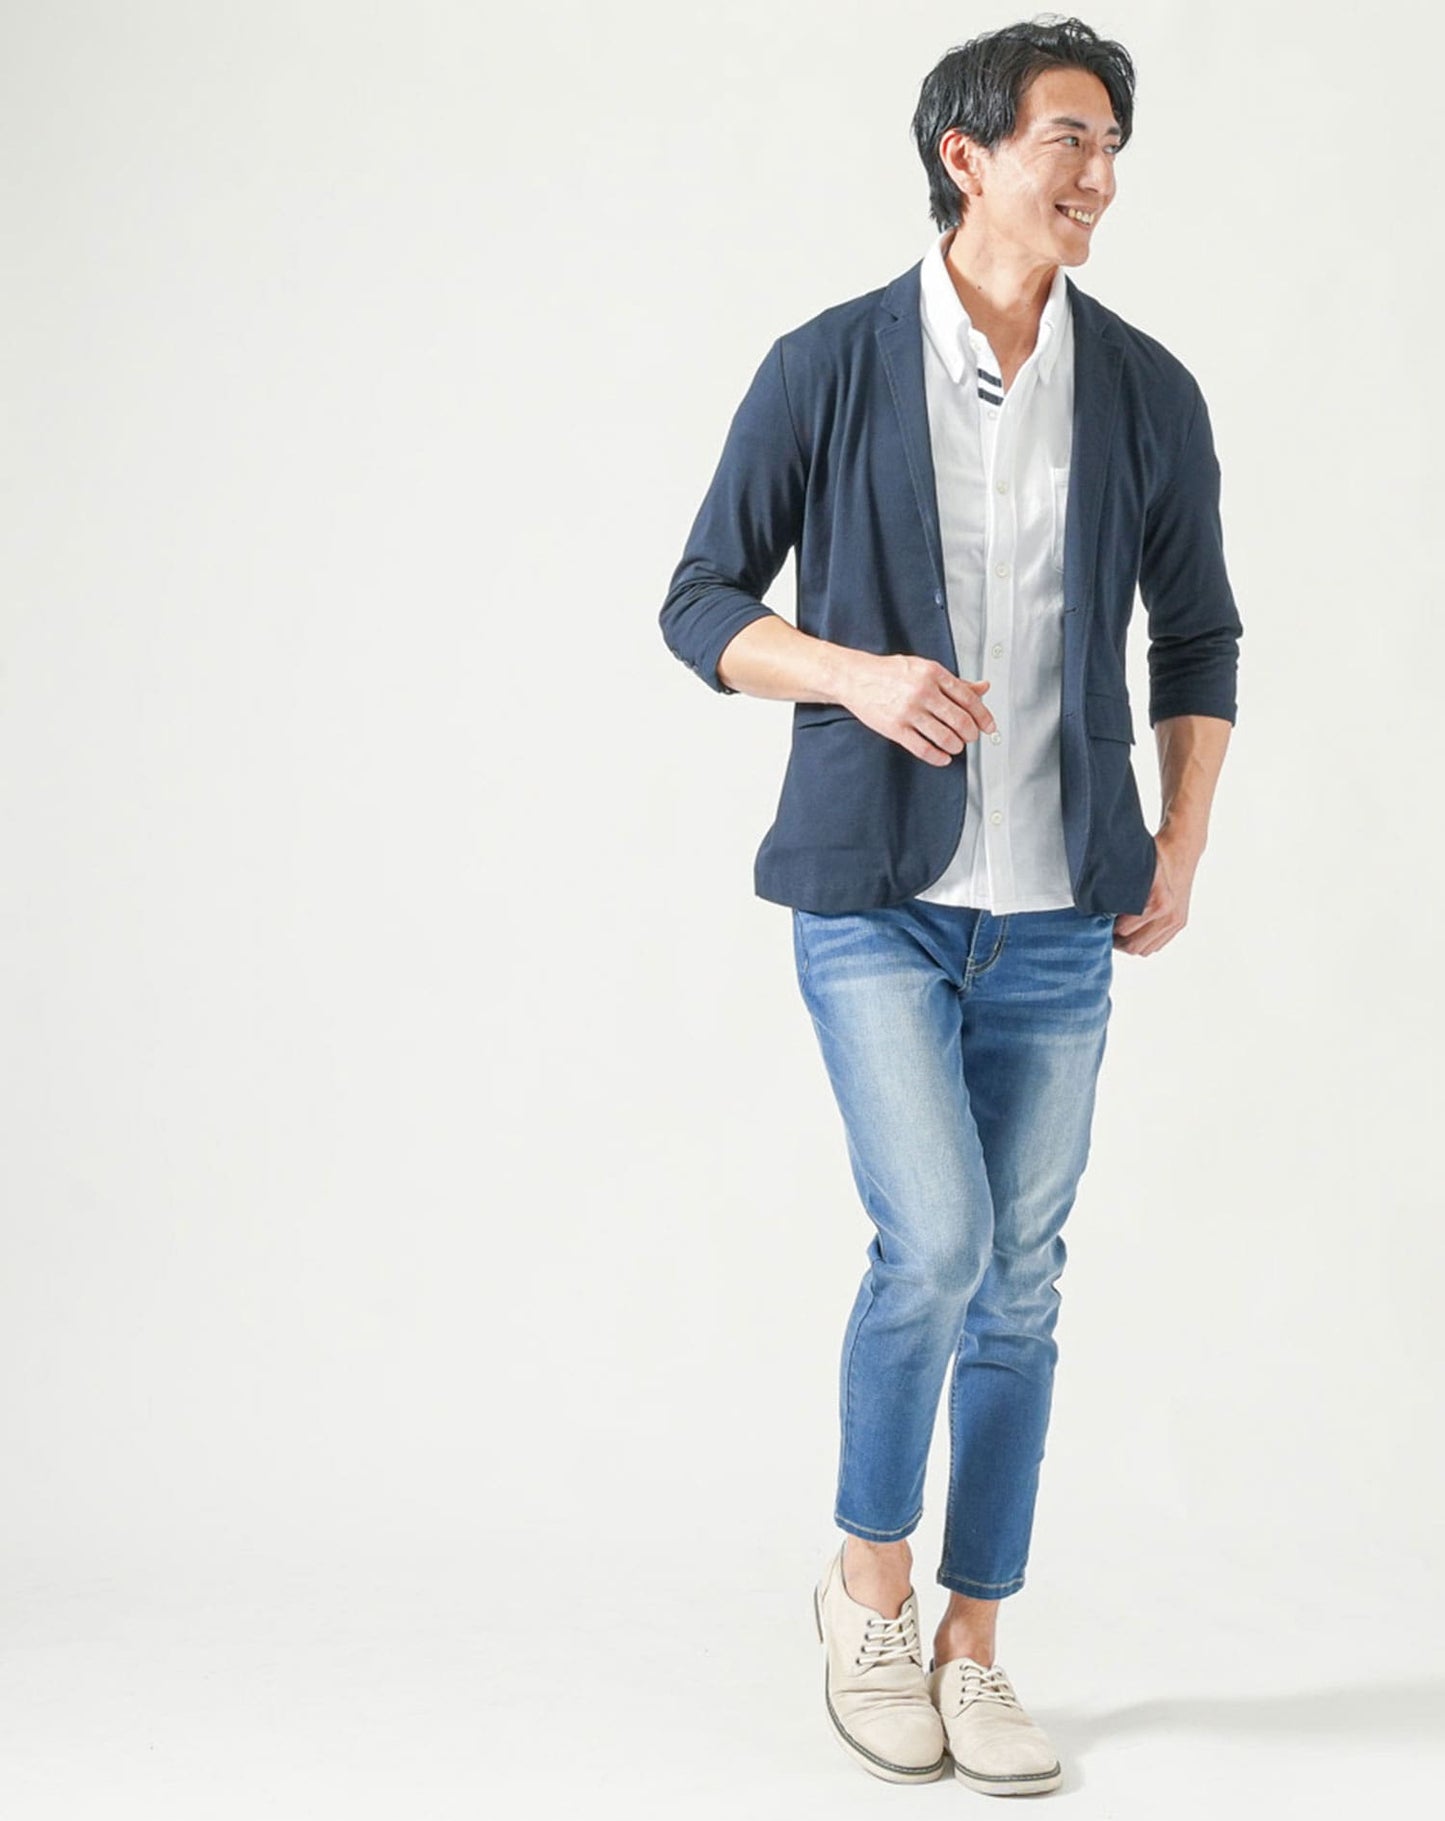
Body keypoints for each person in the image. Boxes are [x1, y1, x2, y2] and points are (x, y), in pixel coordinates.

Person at [659, 15, 1241, 1797]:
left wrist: (1179, 840)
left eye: (1113, 146)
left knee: (1023, 1278)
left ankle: (976, 1638)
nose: (1100, 176)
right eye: (1069, 138)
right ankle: (867, 1591)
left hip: (1061, 910)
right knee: (935, 1240)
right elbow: (698, 603)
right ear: (964, 154)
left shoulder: (1143, 390)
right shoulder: (828, 365)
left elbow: (1198, 635)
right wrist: (854, 672)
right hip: (874, 898)